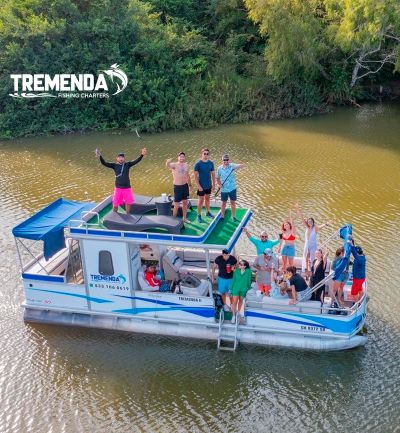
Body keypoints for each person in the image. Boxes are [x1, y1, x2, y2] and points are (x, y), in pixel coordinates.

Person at [96, 147, 147, 213]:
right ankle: (114, 215)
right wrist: (100, 156)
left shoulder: (128, 164)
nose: (121, 158)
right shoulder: (114, 165)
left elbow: (136, 161)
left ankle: (127, 215)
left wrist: (142, 155)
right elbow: (104, 163)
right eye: (119, 157)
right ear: (117, 159)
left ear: (124, 158)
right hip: (118, 188)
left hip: (127, 188)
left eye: (122, 157)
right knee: (115, 204)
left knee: (128, 203)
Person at [296, 204, 330, 272]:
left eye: (311, 222)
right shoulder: (307, 227)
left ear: (313, 222)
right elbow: (302, 218)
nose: (310, 223)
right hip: (307, 245)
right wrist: (298, 209)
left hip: (313, 245)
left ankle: (312, 270)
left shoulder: (315, 228)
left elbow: (321, 226)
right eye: (308, 222)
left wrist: (326, 223)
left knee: (312, 258)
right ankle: (306, 270)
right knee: (305, 257)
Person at [166, 152, 192, 224]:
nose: (182, 158)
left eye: (183, 157)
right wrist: (168, 161)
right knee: (176, 204)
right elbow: (168, 165)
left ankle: (184, 218)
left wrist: (190, 186)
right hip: (177, 186)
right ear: (178, 157)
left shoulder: (186, 165)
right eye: (180, 156)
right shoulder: (174, 165)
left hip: (185, 186)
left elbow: (187, 175)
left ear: (184, 158)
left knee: (185, 202)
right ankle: (173, 219)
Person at [216, 154, 244, 222]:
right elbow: (217, 178)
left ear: (229, 160)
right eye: (224, 160)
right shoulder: (219, 168)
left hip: (232, 188)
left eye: (227, 160)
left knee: (232, 202)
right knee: (223, 203)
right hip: (224, 189)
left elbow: (242, 165)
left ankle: (233, 216)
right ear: (222, 160)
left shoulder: (232, 165)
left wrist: (237, 167)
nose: (226, 161)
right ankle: (222, 216)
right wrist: (220, 184)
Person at [194, 148, 216, 223]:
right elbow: (195, 177)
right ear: (202, 154)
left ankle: (207, 212)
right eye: (204, 153)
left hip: (208, 185)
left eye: (207, 154)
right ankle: (199, 215)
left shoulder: (211, 163)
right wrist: (199, 186)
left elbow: (213, 175)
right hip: (201, 186)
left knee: (207, 199)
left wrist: (214, 185)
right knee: (200, 201)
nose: (206, 155)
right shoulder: (198, 164)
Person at [230, 260, 252, 324]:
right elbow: (233, 280)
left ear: (244, 266)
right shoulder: (236, 271)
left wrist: (248, 288)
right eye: (239, 264)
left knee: (241, 301)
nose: (239, 265)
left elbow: (249, 281)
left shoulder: (248, 272)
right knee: (234, 302)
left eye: (241, 264)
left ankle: (238, 312)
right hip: (235, 288)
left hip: (244, 289)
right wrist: (231, 289)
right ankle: (233, 316)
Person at [349, 237, 366, 302]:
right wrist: (352, 242)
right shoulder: (363, 256)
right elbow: (355, 252)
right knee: (359, 289)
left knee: (354, 292)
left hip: (357, 278)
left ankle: (357, 303)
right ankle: (360, 300)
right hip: (362, 277)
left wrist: (351, 245)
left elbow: (354, 253)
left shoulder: (358, 258)